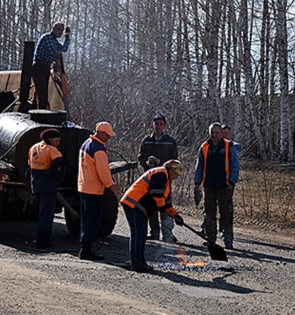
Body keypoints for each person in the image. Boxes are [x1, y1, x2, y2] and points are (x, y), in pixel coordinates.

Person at [120, 159, 184, 272]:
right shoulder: (161, 173)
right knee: (138, 233)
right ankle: (136, 263)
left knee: (141, 234)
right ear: (171, 170)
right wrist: (161, 208)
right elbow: (155, 192)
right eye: (176, 174)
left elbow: (167, 203)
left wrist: (176, 216)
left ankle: (140, 261)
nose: (177, 177)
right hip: (134, 203)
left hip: (139, 207)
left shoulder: (167, 182)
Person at [77, 121, 121, 260]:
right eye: (107, 135)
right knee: (92, 220)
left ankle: (85, 246)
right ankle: (86, 250)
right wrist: (115, 190)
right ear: (100, 133)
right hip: (94, 190)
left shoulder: (86, 144)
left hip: (83, 186)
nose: (108, 138)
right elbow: (104, 174)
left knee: (86, 218)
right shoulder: (98, 150)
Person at [193, 122, 240, 249]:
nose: (214, 135)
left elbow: (235, 166)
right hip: (209, 186)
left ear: (221, 134)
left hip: (224, 186)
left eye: (216, 133)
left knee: (226, 214)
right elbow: (199, 166)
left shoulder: (229, 146)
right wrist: (197, 183)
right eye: (212, 133)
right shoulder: (204, 147)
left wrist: (231, 182)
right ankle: (210, 239)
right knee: (209, 214)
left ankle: (228, 240)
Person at [137, 113, 179, 242]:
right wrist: (146, 162)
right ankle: (154, 232)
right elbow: (140, 156)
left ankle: (167, 234)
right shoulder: (146, 140)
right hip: (150, 179)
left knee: (165, 206)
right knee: (151, 206)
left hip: (164, 179)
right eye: (156, 124)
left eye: (161, 124)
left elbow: (175, 160)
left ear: (164, 125)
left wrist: (161, 162)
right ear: (152, 125)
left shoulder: (170, 141)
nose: (158, 126)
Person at [28, 128, 65, 249]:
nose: (58, 143)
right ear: (49, 139)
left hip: (37, 183)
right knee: (47, 215)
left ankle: (40, 239)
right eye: (56, 140)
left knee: (42, 212)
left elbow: (29, 164)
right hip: (48, 184)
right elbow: (59, 160)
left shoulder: (34, 147)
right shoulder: (52, 150)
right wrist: (52, 171)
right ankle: (43, 242)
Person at [32, 22, 70, 109]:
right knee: (42, 93)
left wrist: (67, 37)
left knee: (41, 91)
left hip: (46, 67)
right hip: (40, 66)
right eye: (59, 29)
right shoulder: (48, 38)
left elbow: (64, 48)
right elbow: (54, 52)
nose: (60, 32)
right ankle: (41, 112)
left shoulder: (54, 41)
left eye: (62, 31)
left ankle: (36, 110)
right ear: (53, 29)